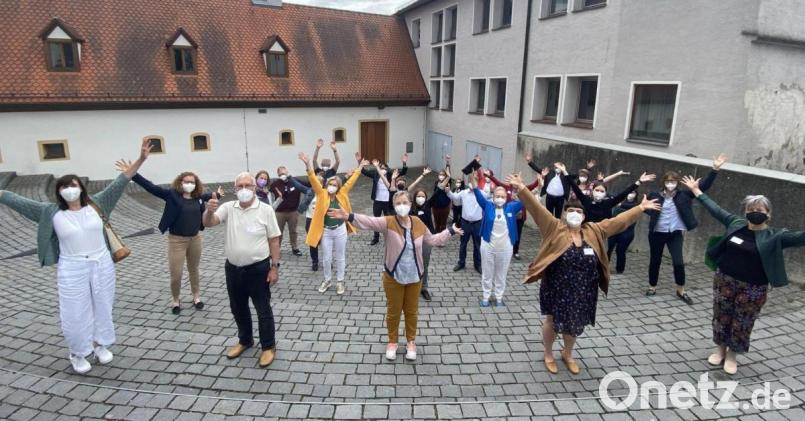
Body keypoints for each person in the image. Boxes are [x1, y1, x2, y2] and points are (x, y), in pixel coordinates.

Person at [0, 139, 151, 374]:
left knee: (103, 305)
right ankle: (78, 352)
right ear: (59, 192)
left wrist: (140, 159)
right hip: (72, 267)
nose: (69, 189)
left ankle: (100, 344)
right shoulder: (50, 212)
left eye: (73, 185)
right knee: (74, 310)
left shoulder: (97, 204)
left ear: (81, 187)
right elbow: (17, 200)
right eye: (64, 187)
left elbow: (121, 181)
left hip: (101, 263)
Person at [507, 174, 660, 375]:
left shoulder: (593, 230)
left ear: (584, 215)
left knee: (575, 321)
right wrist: (521, 188)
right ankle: (548, 353)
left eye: (579, 211)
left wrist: (639, 208)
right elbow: (537, 210)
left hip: (583, 287)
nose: (575, 214)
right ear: (564, 214)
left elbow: (618, 222)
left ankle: (568, 354)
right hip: (556, 284)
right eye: (571, 211)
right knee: (552, 320)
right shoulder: (554, 228)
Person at [681, 176, 805, 374]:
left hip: (753, 287)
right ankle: (720, 350)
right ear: (746, 212)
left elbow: (801, 237)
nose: (755, 213)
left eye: (759, 211)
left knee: (743, 320)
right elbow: (715, 209)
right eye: (751, 210)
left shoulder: (776, 236)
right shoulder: (735, 223)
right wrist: (697, 191)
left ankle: (732, 355)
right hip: (725, 279)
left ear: (768, 214)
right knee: (721, 316)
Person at [326, 191, 462, 361]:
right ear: (394, 206)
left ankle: (411, 342)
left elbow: (433, 240)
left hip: (415, 276)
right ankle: (392, 341)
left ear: (410, 204)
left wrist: (450, 231)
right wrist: (349, 216)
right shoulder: (389, 222)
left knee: (412, 312)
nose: (402, 206)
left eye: (405, 202)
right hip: (393, 276)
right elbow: (369, 222)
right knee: (393, 311)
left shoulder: (419, 223)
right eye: (398, 203)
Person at [203, 172, 281, 368]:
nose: (244, 189)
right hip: (233, 269)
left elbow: (274, 240)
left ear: (255, 188)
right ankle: (245, 340)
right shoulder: (229, 207)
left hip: (258, 269)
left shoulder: (265, 210)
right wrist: (208, 211)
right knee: (238, 307)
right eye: (240, 186)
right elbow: (208, 223)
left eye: (248, 185)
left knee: (263, 309)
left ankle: (268, 346)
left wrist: (274, 267)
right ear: (235, 189)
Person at [131, 170, 224, 314]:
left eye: (192, 182)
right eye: (186, 181)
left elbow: (208, 196)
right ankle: (176, 299)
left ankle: (196, 297)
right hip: (176, 241)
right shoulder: (171, 195)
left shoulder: (197, 196)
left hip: (195, 239)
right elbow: (151, 187)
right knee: (176, 274)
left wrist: (217, 194)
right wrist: (133, 174)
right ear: (180, 183)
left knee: (194, 270)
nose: (189, 184)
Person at [645, 154, 727, 304]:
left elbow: (703, 187)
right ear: (663, 182)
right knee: (655, 260)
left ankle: (681, 290)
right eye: (668, 181)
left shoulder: (684, 195)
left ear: (677, 183)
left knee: (678, 262)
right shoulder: (655, 195)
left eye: (673, 181)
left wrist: (714, 169)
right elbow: (645, 207)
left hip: (675, 234)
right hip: (657, 233)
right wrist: (647, 208)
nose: (670, 184)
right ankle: (652, 286)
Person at [300, 152, 365, 295]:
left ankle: (340, 281)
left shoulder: (342, 193)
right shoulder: (321, 193)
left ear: (338, 187)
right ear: (327, 184)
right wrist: (308, 165)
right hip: (326, 231)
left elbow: (351, 180)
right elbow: (313, 179)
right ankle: (327, 280)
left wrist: (359, 167)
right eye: (330, 184)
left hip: (340, 230)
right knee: (327, 257)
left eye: (335, 185)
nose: (332, 186)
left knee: (340, 256)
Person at [471, 175, 523, 307]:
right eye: (497, 196)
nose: (500, 198)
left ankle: (499, 297)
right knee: (487, 273)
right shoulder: (487, 206)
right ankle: (486, 296)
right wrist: (473, 181)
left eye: (503, 196)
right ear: (493, 197)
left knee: (501, 274)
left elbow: (525, 200)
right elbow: (477, 193)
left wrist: (520, 185)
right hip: (488, 246)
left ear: (506, 198)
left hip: (506, 247)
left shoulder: (511, 207)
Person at [487, 170, 542, 260]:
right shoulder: (507, 188)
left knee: (518, 234)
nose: (516, 181)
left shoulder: (523, 189)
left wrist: (541, 177)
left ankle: (515, 251)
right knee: (508, 232)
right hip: (510, 216)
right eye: (514, 178)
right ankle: (507, 248)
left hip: (520, 216)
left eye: (517, 178)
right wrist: (489, 176)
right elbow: (497, 182)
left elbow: (533, 185)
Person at [565, 169, 655, 223]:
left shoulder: (608, 203)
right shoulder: (586, 200)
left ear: (605, 193)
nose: (599, 192)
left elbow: (623, 194)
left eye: (602, 191)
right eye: (597, 190)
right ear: (592, 191)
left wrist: (639, 182)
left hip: (599, 234)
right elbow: (574, 186)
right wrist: (564, 171)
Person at [361, 154, 408, 245]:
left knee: (389, 220)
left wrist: (404, 162)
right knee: (376, 220)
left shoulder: (391, 174)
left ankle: (390, 237)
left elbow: (403, 172)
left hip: (388, 202)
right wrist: (360, 162)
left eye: (384, 167)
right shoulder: (375, 174)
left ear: (387, 169)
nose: (382, 169)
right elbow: (363, 171)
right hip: (377, 201)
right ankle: (376, 238)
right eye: (380, 167)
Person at [446, 165, 484, 274]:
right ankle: (461, 263)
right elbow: (454, 197)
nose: (472, 183)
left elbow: (491, 201)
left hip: (477, 223)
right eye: (471, 181)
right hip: (465, 223)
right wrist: (448, 191)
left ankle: (478, 265)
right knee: (463, 244)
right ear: (468, 182)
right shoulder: (463, 193)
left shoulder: (482, 194)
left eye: (475, 181)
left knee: (477, 245)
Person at [288, 173, 321, 271]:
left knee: (325, 242)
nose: (317, 184)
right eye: (315, 182)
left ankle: (328, 260)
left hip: (322, 220)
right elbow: (298, 185)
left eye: (319, 182)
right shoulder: (309, 191)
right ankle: (315, 261)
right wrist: (289, 177)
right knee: (313, 242)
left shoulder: (325, 193)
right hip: (310, 220)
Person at [270, 166, 303, 256]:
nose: (282, 175)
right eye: (280, 174)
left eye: (284, 173)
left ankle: (295, 248)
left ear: (287, 172)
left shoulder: (295, 181)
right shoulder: (275, 184)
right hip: (279, 212)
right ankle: (276, 249)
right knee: (278, 231)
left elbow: (306, 187)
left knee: (293, 231)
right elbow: (267, 192)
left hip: (293, 212)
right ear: (278, 175)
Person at [606, 190, 640, 274]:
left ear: (636, 195)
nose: (630, 194)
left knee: (620, 251)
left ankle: (620, 269)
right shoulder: (620, 203)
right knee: (608, 249)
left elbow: (632, 216)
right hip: (614, 231)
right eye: (629, 192)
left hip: (627, 232)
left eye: (633, 193)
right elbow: (614, 216)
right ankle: (604, 267)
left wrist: (621, 207)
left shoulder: (636, 206)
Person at [411, 189, 436, 301]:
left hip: (426, 239)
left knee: (424, 264)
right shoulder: (410, 209)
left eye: (423, 196)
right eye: (418, 196)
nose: (421, 198)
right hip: (413, 240)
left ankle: (424, 288)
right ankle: (412, 286)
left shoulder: (428, 206)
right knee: (412, 263)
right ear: (415, 197)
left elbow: (438, 192)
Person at [430, 156, 453, 233]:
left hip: (444, 207)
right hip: (435, 207)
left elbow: (449, 174)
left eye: (443, 175)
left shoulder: (447, 183)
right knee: (436, 223)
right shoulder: (436, 182)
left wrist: (447, 163)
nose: (441, 176)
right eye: (440, 174)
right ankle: (437, 236)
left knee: (443, 224)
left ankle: (442, 237)